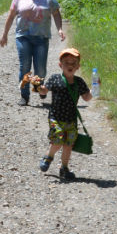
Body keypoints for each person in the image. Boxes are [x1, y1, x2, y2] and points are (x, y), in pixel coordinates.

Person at [0, 0, 65, 106]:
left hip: (41, 37)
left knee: (40, 69)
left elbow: (56, 14)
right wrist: (4, 34)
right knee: (25, 67)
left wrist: (59, 29)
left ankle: (40, 88)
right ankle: (24, 96)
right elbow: (11, 16)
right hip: (23, 36)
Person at [38, 46, 92, 182]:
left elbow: (86, 97)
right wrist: (38, 86)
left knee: (68, 145)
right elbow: (44, 91)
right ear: (60, 65)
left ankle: (64, 168)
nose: (70, 65)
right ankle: (48, 157)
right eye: (67, 62)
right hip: (56, 117)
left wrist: (95, 89)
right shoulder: (55, 78)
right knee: (57, 141)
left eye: (73, 63)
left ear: (78, 66)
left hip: (71, 120)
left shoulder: (79, 82)